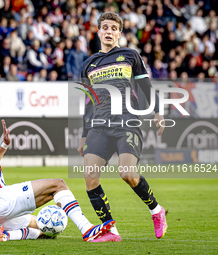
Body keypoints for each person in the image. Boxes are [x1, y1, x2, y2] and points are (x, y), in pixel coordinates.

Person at [0, 96, 114, 242]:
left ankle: (6, 235)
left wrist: (4, 145)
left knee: (46, 229)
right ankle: (87, 229)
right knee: (58, 184)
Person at [77, 12, 167, 242]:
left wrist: (157, 111)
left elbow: (146, 87)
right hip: (99, 125)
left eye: (113, 28)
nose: (108, 31)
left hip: (127, 121)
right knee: (90, 177)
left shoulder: (130, 55)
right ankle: (110, 230)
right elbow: (88, 102)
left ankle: (156, 210)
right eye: (104, 27)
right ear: (98, 32)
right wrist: (83, 134)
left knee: (126, 173)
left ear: (119, 33)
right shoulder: (88, 64)